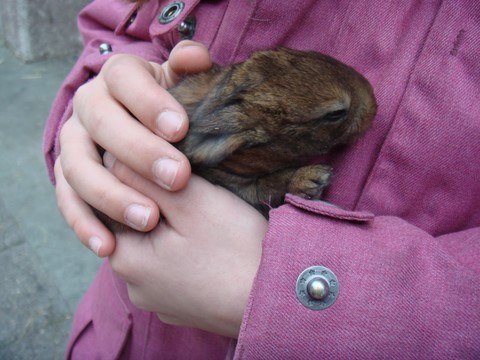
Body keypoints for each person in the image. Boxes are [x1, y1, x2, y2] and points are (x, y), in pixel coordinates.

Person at [44, 0, 480, 358]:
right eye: (335, 115)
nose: (370, 109)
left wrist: (293, 292)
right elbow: (122, 25)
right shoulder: (221, 138)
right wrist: (104, 103)